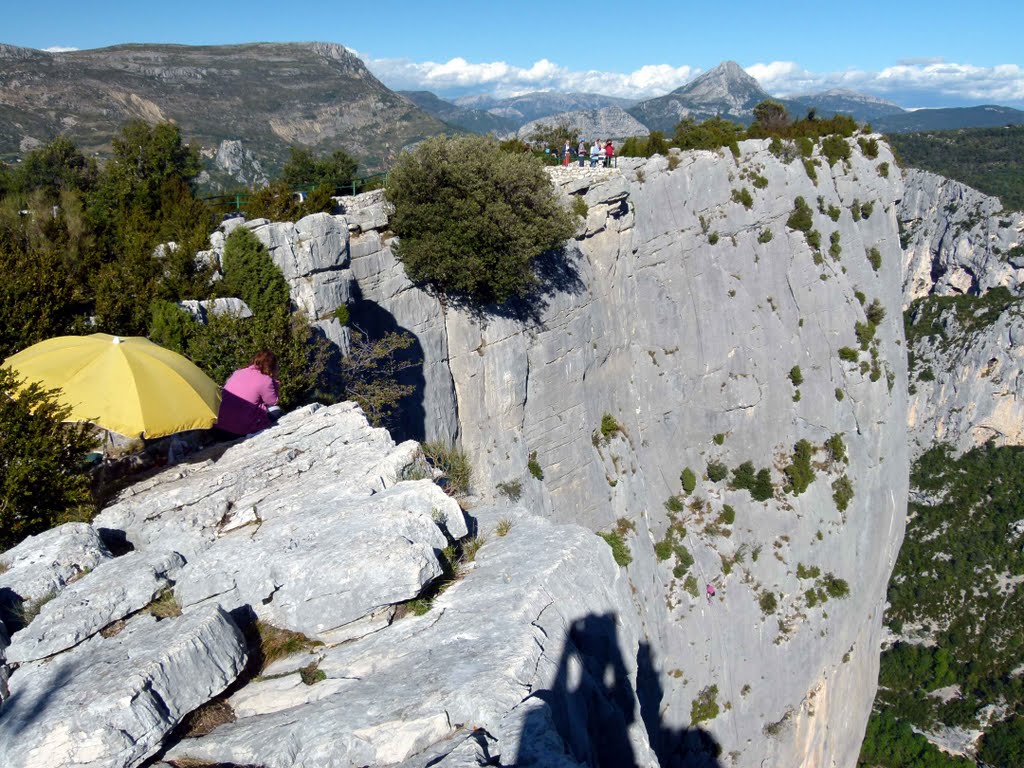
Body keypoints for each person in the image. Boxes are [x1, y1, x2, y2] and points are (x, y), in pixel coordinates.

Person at [216, 350, 280, 436]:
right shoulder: (266, 380)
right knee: (277, 412)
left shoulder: (238, 372)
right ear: (273, 366)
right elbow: (272, 402)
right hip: (240, 430)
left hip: (220, 426)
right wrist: (275, 384)